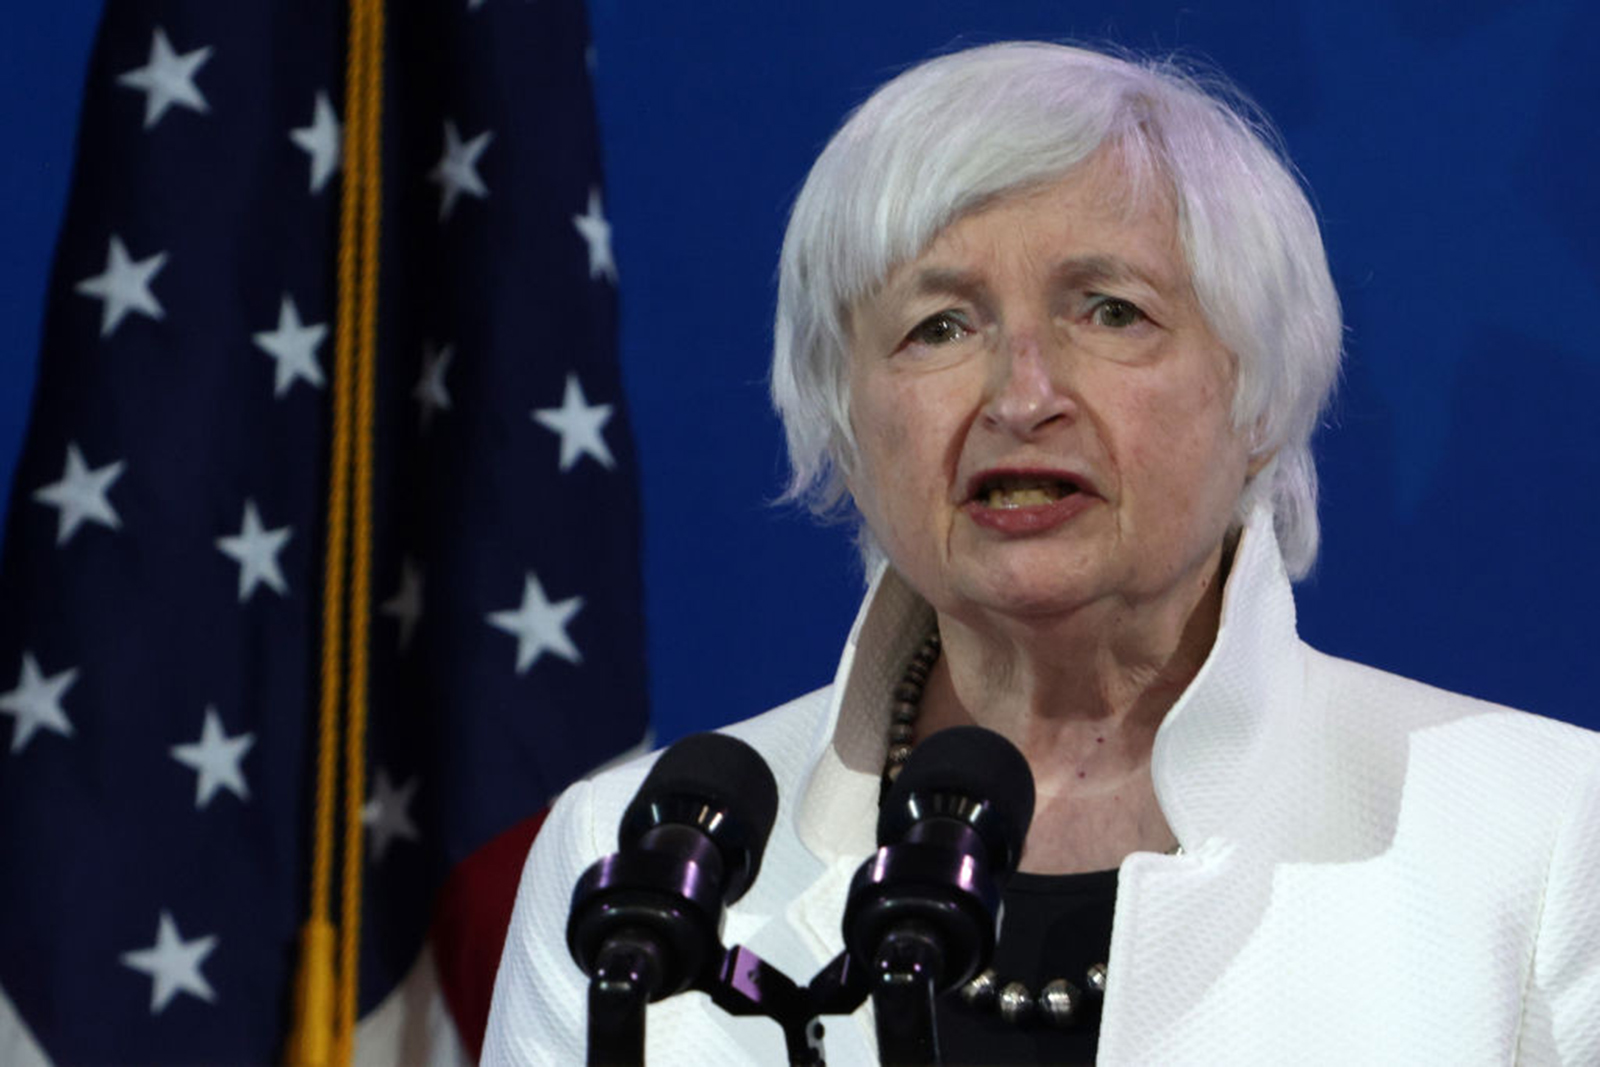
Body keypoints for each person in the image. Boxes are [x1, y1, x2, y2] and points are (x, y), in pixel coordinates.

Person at [482, 41, 1600, 1065]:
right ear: (844, 422)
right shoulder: (636, 865)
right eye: (937, 327)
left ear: (1257, 393)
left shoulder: (1548, 836)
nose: (1022, 395)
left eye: (1110, 311)